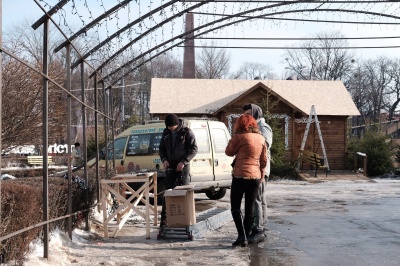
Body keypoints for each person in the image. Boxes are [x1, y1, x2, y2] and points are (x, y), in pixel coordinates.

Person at [225, 114, 267, 247]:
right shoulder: (261, 138)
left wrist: (234, 137)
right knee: (250, 208)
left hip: (240, 176)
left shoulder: (240, 137)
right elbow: (264, 161)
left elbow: (229, 152)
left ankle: (241, 236)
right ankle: (246, 236)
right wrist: (260, 176)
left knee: (235, 207)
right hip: (255, 178)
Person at [159, 113, 198, 228]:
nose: (171, 129)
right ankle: (164, 219)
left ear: (177, 124)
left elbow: (194, 149)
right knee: (168, 192)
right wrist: (164, 159)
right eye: (169, 127)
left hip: (183, 166)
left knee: (184, 192)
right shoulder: (166, 133)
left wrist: (183, 161)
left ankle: (186, 219)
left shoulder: (187, 132)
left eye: (173, 127)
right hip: (170, 165)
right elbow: (161, 149)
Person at [243, 103, 273, 244]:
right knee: (260, 199)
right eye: (245, 114)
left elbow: (264, 145)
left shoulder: (263, 127)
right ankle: (261, 227)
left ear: (255, 113)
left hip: (260, 168)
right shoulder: (253, 127)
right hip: (254, 167)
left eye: (249, 114)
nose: (246, 116)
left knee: (256, 199)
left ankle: (258, 230)